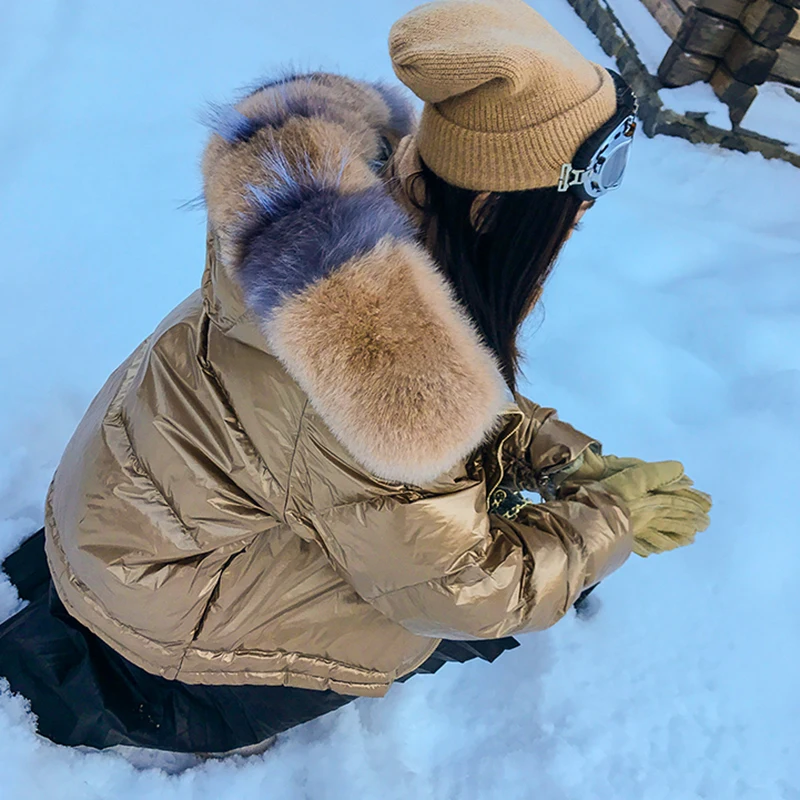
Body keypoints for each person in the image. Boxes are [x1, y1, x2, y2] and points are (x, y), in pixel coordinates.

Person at [0, 0, 711, 756]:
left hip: (120, 520)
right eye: (577, 199)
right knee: (409, 612)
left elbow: (433, 386)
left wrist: (555, 451)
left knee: (393, 538)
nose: (576, 223)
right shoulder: (382, 382)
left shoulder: (352, 237)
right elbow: (467, 590)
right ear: (504, 205)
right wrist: (608, 524)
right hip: (150, 617)